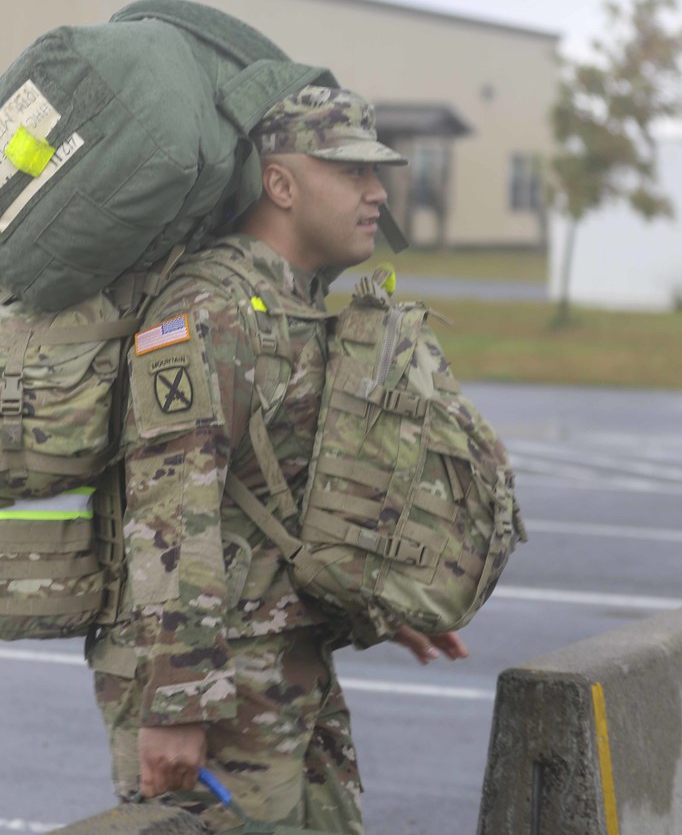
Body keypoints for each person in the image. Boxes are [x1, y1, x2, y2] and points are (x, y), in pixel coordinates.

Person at [89, 85, 468, 833]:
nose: (377, 193)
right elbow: (170, 512)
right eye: (353, 172)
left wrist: (378, 599)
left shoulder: (291, 303)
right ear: (281, 184)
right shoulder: (207, 310)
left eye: (376, 173)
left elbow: (281, 494)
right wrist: (175, 702)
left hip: (287, 662)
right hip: (212, 679)